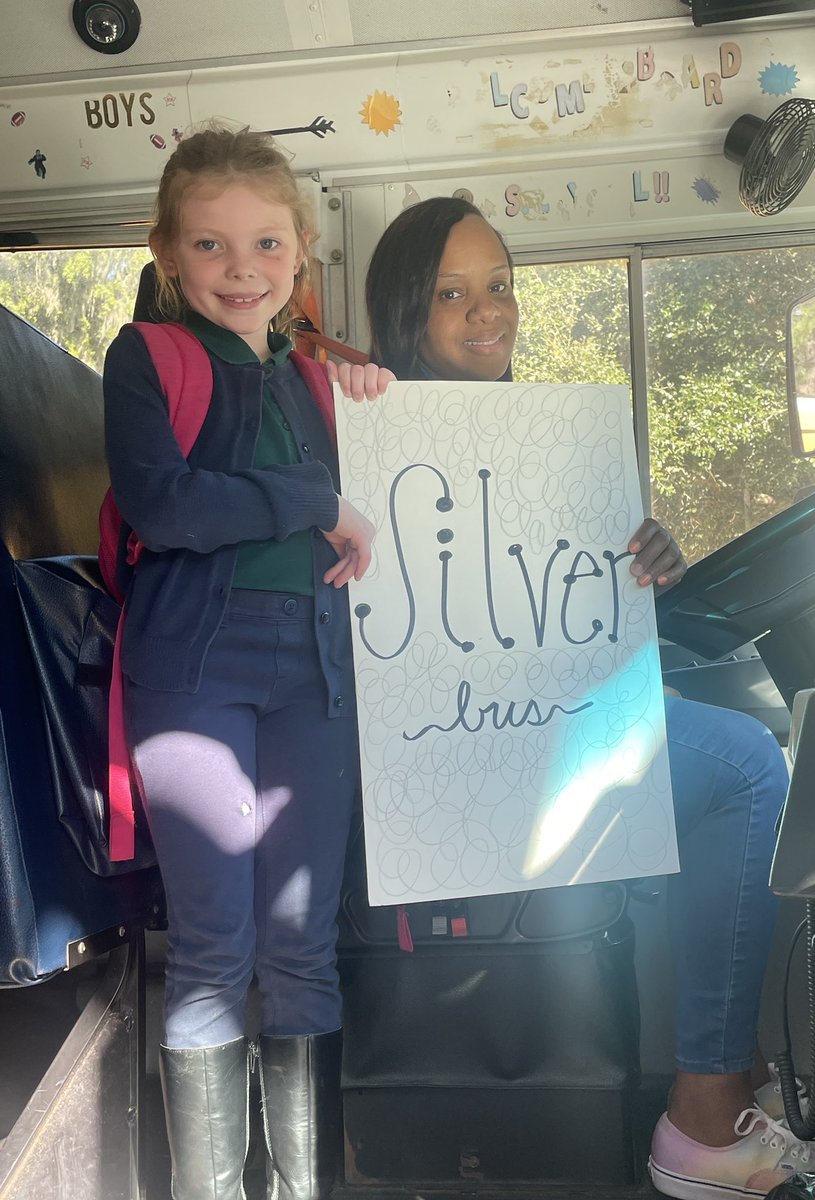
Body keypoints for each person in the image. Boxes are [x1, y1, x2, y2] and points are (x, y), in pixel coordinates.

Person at [339, 196, 815, 1200]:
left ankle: (748, 1083)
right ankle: (706, 1113)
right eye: (452, 294)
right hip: (462, 748)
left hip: (554, 716)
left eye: (499, 285)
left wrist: (647, 558)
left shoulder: (547, 438)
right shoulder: (370, 430)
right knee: (752, 773)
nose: (487, 311)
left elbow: (572, 602)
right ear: (405, 316)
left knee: (746, 745)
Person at [104, 124, 376, 1200]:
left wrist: (383, 411)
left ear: (301, 249)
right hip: (195, 671)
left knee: (304, 945)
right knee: (216, 944)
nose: (241, 269)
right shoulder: (148, 357)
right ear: (169, 253)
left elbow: (399, 492)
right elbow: (165, 506)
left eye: (265, 244)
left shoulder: (320, 375)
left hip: (312, 673)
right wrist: (317, 498)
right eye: (210, 247)